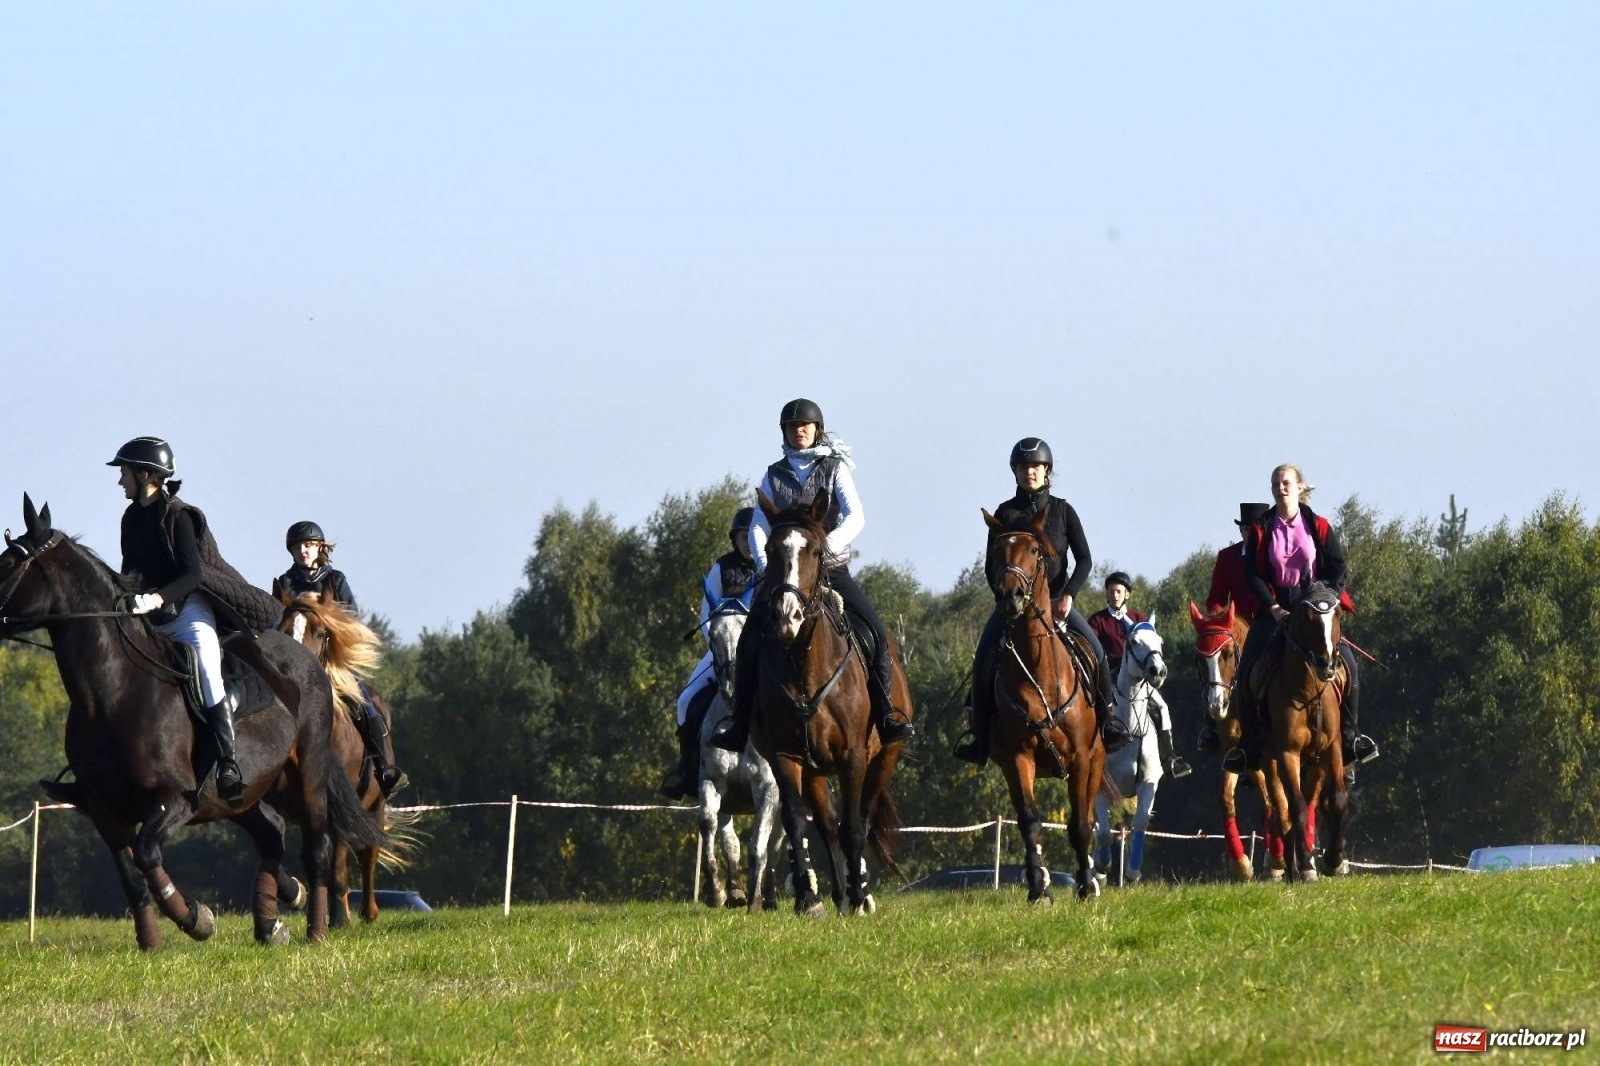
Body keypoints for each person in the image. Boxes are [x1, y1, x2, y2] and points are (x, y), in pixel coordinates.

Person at [710, 399, 911, 752]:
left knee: (877, 634)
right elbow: (758, 526)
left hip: (831, 568)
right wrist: (763, 564)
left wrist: (824, 548)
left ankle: (886, 715)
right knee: (748, 642)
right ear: (785, 432)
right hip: (784, 576)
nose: (799, 431)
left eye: (805, 426)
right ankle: (740, 725)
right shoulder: (773, 474)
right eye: (792, 427)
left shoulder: (835, 468)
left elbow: (855, 516)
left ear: (817, 430)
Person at [109, 436, 284, 806]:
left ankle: (228, 763)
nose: (119, 480)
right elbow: (129, 571)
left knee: (206, 670)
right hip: (149, 614)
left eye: (123, 473)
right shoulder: (130, 518)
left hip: (188, 611)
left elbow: (192, 576)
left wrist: (156, 597)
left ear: (144, 475)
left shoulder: (180, 516)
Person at [954, 437, 1130, 765]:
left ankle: (1108, 724)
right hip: (1013, 607)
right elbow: (991, 566)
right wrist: (1003, 596)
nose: (1029, 472)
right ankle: (979, 735)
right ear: (1015, 472)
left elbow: (1085, 560)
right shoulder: (1005, 513)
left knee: (1099, 652)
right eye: (1022, 467)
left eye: (1034, 466)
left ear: (1046, 470)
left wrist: (1069, 595)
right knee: (984, 654)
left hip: (1058, 604)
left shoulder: (1063, 511)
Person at [1224, 465, 1379, 775]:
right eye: (1275, 484)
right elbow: (1252, 576)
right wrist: (1273, 607)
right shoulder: (1261, 529)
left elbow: (1339, 566)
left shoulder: (1317, 525)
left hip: (1315, 609)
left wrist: (1328, 599)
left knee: (1348, 663)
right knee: (1245, 673)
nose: (1280, 488)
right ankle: (1250, 747)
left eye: (1286, 483)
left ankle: (1351, 738)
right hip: (1277, 610)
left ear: (1299, 487)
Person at [272, 521, 406, 796]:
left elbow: (350, 616)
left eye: (308, 545)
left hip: (331, 659)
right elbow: (277, 619)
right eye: (297, 547)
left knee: (366, 703)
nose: (302, 551)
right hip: (294, 662)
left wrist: (322, 612)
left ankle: (385, 769)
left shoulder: (336, 580)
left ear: (319, 547)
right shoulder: (285, 582)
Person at [659, 507, 757, 798]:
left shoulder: (772, 569)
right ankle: (687, 769)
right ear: (734, 539)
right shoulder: (722, 568)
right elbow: (706, 610)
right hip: (722, 650)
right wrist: (717, 646)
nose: (749, 544)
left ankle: (805, 769)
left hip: (759, 655)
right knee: (685, 700)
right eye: (743, 538)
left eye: (753, 537)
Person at [1090, 573, 1191, 779]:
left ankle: (1170, 758)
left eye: (1119, 591)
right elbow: (1092, 650)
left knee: (1161, 707)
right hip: (1108, 676)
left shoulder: (1139, 619)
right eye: (1111, 591)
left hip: (1137, 677)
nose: (1115, 595)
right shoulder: (1098, 620)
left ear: (1127, 594)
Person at [1195, 502, 1270, 755]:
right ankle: (1212, 728)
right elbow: (1215, 597)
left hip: (1269, 621)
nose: (1249, 533)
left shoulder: (1273, 554)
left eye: (1255, 528)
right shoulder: (1227, 557)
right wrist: (1220, 616)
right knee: (1208, 661)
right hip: (1233, 628)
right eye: (1245, 529)